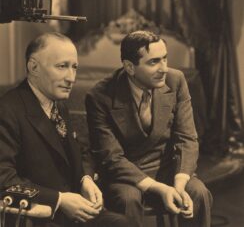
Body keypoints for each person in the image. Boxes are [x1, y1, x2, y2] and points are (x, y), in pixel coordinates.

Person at [0, 32, 129, 227]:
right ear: (33, 67)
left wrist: (85, 179)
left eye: (74, 67)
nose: (71, 78)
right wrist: (59, 200)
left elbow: (80, 150)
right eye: (62, 67)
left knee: (122, 223)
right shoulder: (8, 109)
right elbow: (4, 178)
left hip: (72, 212)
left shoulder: (58, 105)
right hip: (36, 216)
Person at [85, 30, 212, 227]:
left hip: (167, 167)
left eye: (165, 59)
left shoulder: (175, 80)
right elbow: (111, 157)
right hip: (126, 174)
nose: (164, 68)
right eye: (154, 62)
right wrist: (158, 188)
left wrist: (179, 182)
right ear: (129, 67)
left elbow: (187, 138)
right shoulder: (100, 96)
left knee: (198, 193)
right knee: (127, 199)